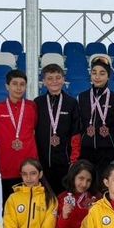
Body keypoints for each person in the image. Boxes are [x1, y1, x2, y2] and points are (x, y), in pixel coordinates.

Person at [0, 69, 39, 205]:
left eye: (22, 84)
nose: (18, 88)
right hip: (8, 168)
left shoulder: (32, 107)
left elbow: (39, 129)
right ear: (7, 86)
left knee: (32, 207)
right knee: (9, 207)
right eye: (14, 84)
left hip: (30, 169)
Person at [75, 56, 114, 182]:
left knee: (104, 184)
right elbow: (78, 125)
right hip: (86, 150)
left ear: (108, 76)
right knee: (87, 184)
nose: (97, 77)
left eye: (102, 73)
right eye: (94, 73)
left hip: (107, 151)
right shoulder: (81, 98)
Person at [35, 64, 80, 192]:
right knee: (44, 198)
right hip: (42, 163)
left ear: (63, 80)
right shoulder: (38, 103)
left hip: (64, 163)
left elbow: (76, 134)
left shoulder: (71, 103)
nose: (54, 81)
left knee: (63, 197)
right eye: (50, 78)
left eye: (58, 77)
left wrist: (74, 160)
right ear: (43, 82)